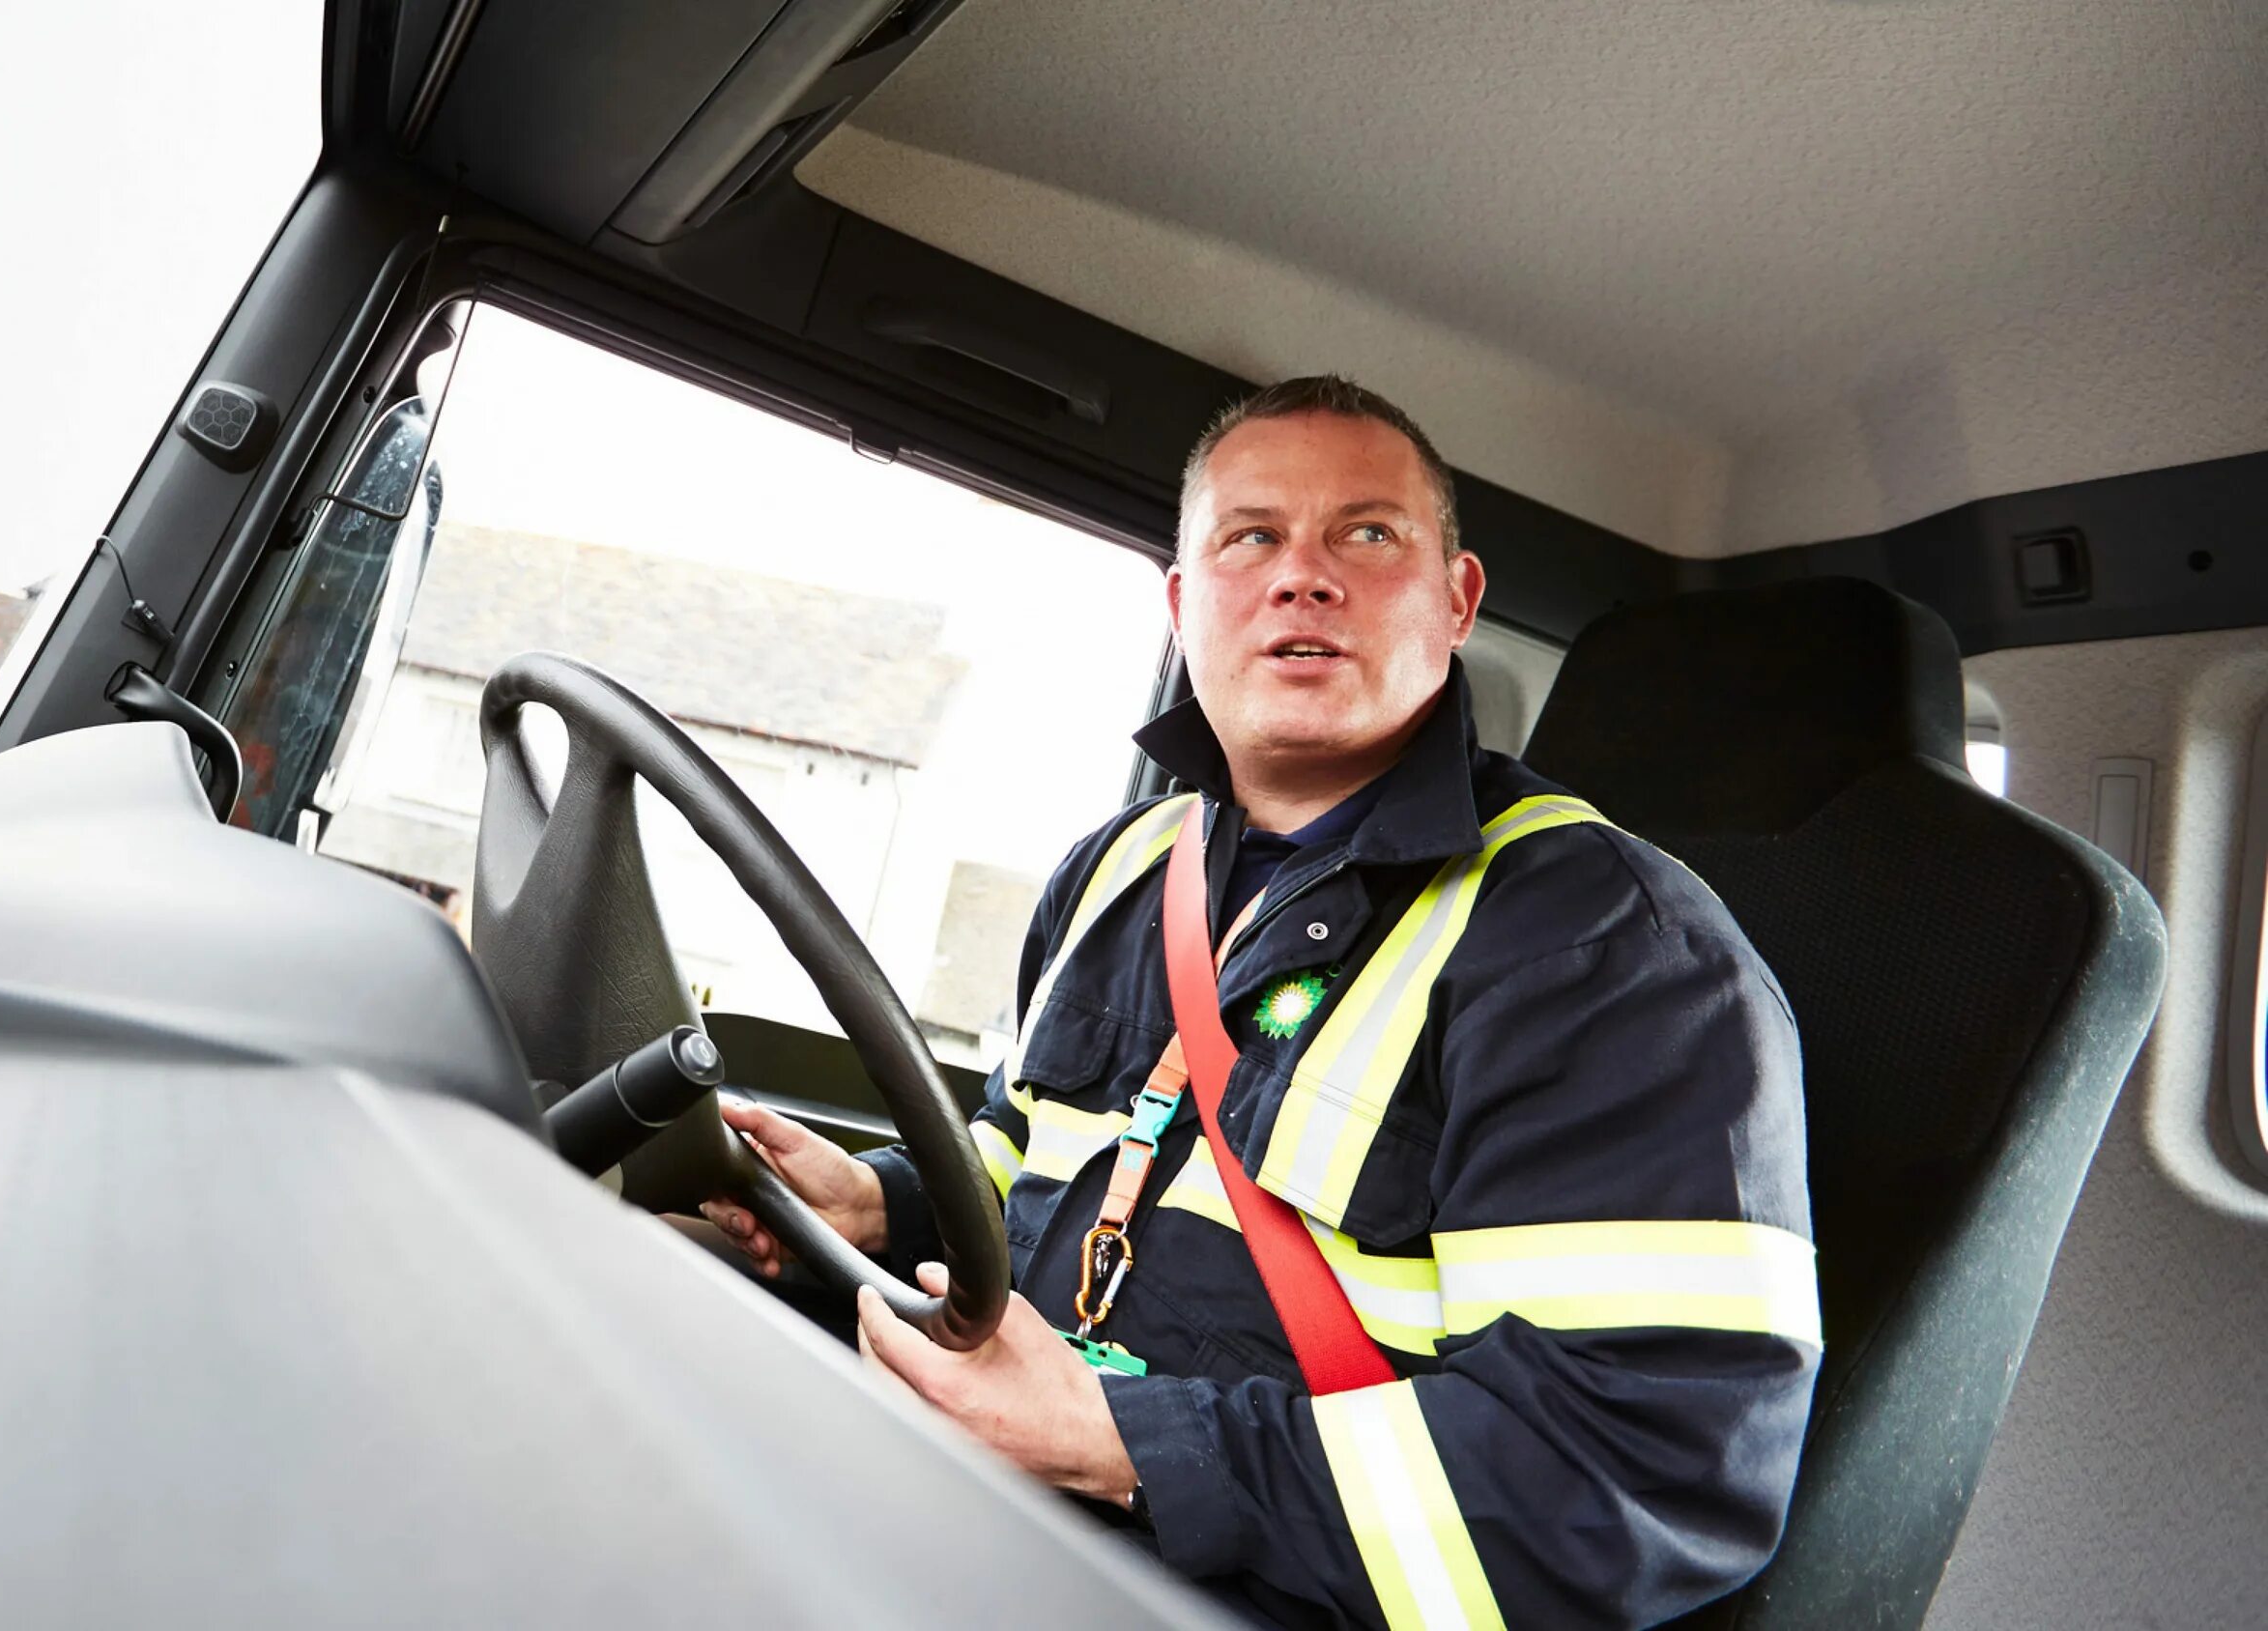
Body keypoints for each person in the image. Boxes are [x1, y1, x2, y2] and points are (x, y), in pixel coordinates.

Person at [703, 378, 1818, 1631]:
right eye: (1251, 537)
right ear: (1185, 605)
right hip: (978, 1531)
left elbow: (1635, 1479)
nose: (1304, 576)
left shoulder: (1614, 953)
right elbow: (1032, 1154)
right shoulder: (1115, 870)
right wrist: (887, 1198)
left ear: (1456, 601)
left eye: (1369, 533)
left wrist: (1117, 1444)